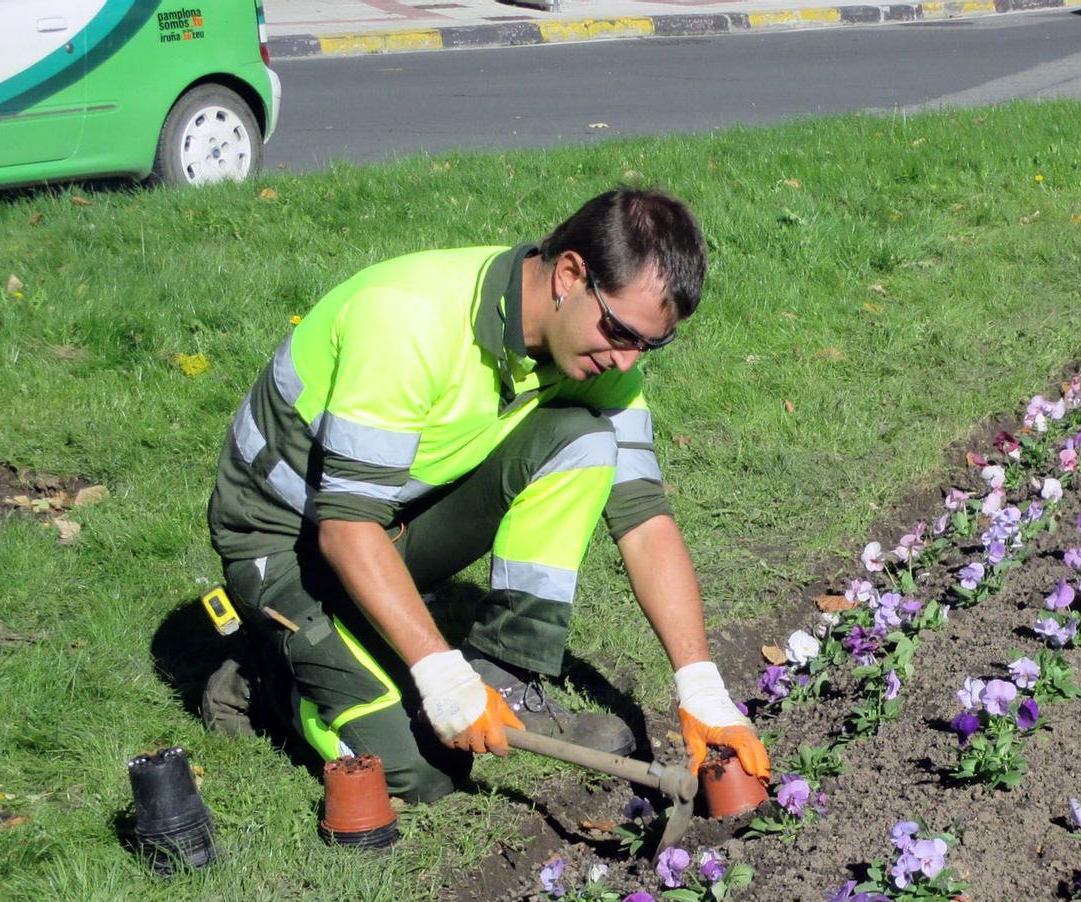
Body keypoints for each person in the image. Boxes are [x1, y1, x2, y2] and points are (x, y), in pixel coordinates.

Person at [201, 187, 769, 802]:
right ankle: (266, 677)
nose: (628, 363)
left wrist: (701, 689)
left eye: (650, 346)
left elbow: (644, 519)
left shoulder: (589, 349)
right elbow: (343, 528)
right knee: (421, 774)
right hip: (287, 539)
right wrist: (439, 674)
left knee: (584, 440)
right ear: (570, 275)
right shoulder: (407, 320)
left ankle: (503, 672)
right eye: (621, 333)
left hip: (389, 514)